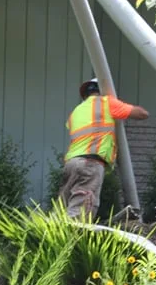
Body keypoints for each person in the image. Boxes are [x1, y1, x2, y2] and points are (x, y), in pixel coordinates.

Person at [59, 78, 148, 218]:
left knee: (63, 207)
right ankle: (73, 238)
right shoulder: (106, 102)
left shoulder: (76, 111)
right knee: (81, 211)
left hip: (71, 163)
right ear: (102, 91)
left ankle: (51, 236)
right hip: (90, 163)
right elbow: (142, 114)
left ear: (84, 95)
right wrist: (116, 101)